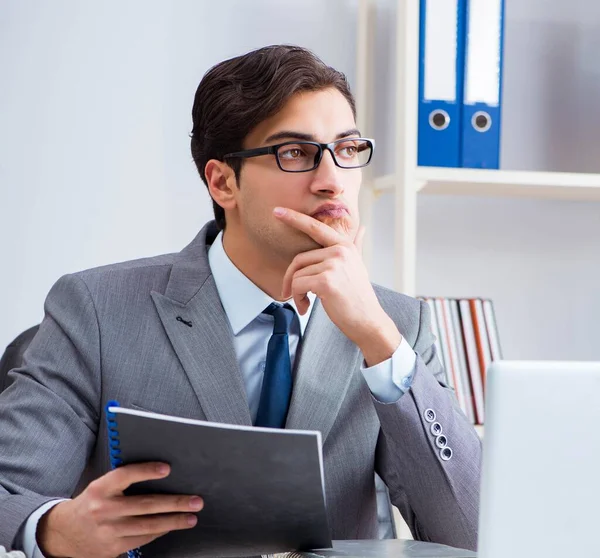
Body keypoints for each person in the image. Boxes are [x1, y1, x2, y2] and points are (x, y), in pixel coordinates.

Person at [0, 45, 481, 558]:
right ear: (223, 181)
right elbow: (10, 491)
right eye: (295, 153)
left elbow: (472, 532)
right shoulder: (96, 309)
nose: (331, 179)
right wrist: (53, 529)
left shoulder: (399, 324)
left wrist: (379, 341)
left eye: (346, 148)